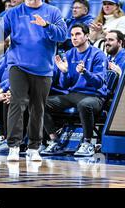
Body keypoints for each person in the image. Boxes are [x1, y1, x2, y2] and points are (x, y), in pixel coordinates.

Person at [0, 0, 67, 162]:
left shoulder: (53, 12)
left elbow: (63, 35)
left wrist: (46, 25)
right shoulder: (14, 12)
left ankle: (34, 147)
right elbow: (0, 34)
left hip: (43, 69)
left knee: (37, 108)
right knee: (17, 103)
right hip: (18, 65)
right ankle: (13, 146)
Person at [41, 23, 108, 157]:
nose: (74, 38)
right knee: (40, 103)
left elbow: (99, 83)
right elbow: (65, 85)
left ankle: (87, 143)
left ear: (87, 36)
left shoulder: (98, 55)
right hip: (73, 95)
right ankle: (55, 141)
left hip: (95, 96)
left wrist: (85, 73)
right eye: (72, 35)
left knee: (84, 104)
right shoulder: (69, 54)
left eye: (78, 34)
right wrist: (65, 72)